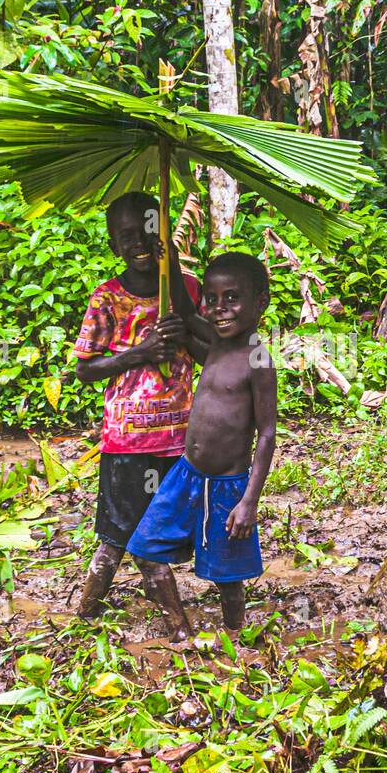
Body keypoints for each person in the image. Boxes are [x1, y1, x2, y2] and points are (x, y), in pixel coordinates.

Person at [72, 191, 205, 639]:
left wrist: (185, 328)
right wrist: (142, 351)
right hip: (127, 441)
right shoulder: (107, 299)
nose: (140, 242)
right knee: (123, 532)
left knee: (152, 528)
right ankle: (177, 627)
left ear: (164, 233)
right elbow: (85, 370)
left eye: (149, 229)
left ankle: (88, 611)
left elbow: (211, 353)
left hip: (179, 439)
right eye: (127, 236)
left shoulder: (187, 289)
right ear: (114, 245)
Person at [124, 251, 277, 630]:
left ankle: (235, 638)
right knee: (145, 549)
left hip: (227, 487)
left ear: (260, 302)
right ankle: (179, 629)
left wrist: (248, 502)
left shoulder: (258, 360)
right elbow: (184, 308)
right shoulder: (216, 339)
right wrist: (169, 258)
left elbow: (267, 434)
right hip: (185, 475)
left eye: (232, 298)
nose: (220, 309)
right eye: (212, 299)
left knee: (228, 578)